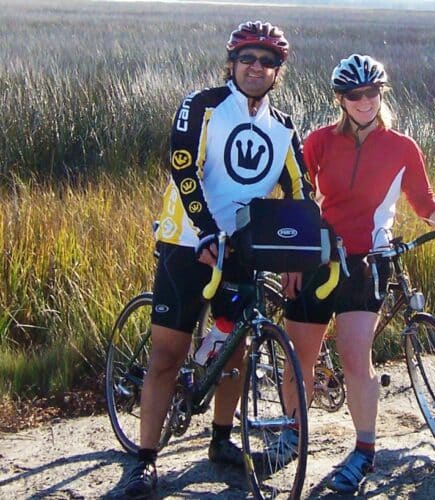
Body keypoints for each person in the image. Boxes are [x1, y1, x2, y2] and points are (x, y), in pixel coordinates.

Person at [124, 20, 312, 498]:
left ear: (278, 72)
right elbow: (183, 165)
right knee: (167, 353)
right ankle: (144, 460)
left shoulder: (282, 126)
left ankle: (221, 438)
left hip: (241, 250)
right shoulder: (203, 105)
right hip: (187, 242)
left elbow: (300, 191)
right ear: (232, 63)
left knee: (237, 350)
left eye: (267, 61)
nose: (256, 67)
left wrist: (298, 255)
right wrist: (206, 229)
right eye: (247, 58)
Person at [278, 54, 435, 494]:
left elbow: (423, 200)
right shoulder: (319, 141)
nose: (364, 101)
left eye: (372, 93)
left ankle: (364, 450)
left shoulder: (402, 146)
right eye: (354, 95)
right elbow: (298, 199)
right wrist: (291, 259)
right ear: (340, 99)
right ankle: (290, 433)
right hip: (315, 257)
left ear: (382, 95)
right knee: (297, 358)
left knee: (355, 358)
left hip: (366, 262)